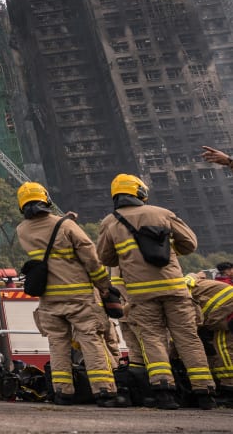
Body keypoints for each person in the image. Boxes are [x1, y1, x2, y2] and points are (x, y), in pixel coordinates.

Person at [96, 174, 216, 410]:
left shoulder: (110, 222)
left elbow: (105, 257)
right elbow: (190, 243)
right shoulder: (162, 213)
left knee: (152, 340)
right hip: (174, 289)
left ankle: (164, 392)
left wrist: (129, 256)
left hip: (140, 294)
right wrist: (170, 251)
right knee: (188, 338)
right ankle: (205, 392)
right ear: (140, 192)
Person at [14, 182, 126, 408]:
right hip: (79, 297)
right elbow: (91, 257)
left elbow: (47, 238)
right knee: (91, 341)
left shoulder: (22, 230)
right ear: (45, 199)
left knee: (57, 345)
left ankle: (63, 392)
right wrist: (103, 284)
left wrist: (65, 221)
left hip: (49, 301)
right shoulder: (65, 226)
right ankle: (104, 391)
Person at [183, 272, 233, 404]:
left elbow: (192, 323)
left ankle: (229, 389)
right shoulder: (189, 283)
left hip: (227, 312)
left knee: (224, 349)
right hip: (224, 311)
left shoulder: (181, 292)